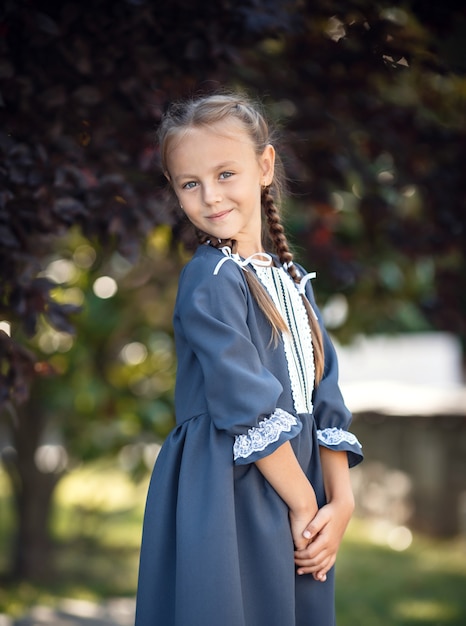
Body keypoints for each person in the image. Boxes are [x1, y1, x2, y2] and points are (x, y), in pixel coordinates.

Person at [135, 92, 363, 626]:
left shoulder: (293, 281)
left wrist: (340, 503)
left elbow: (325, 400)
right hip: (230, 487)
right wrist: (305, 505)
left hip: (295, 481)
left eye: (225, 173)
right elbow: (246, 406)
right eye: (190, 183)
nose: (210, 196)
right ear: (175, 190)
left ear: (264, 167)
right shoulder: (210, 279)